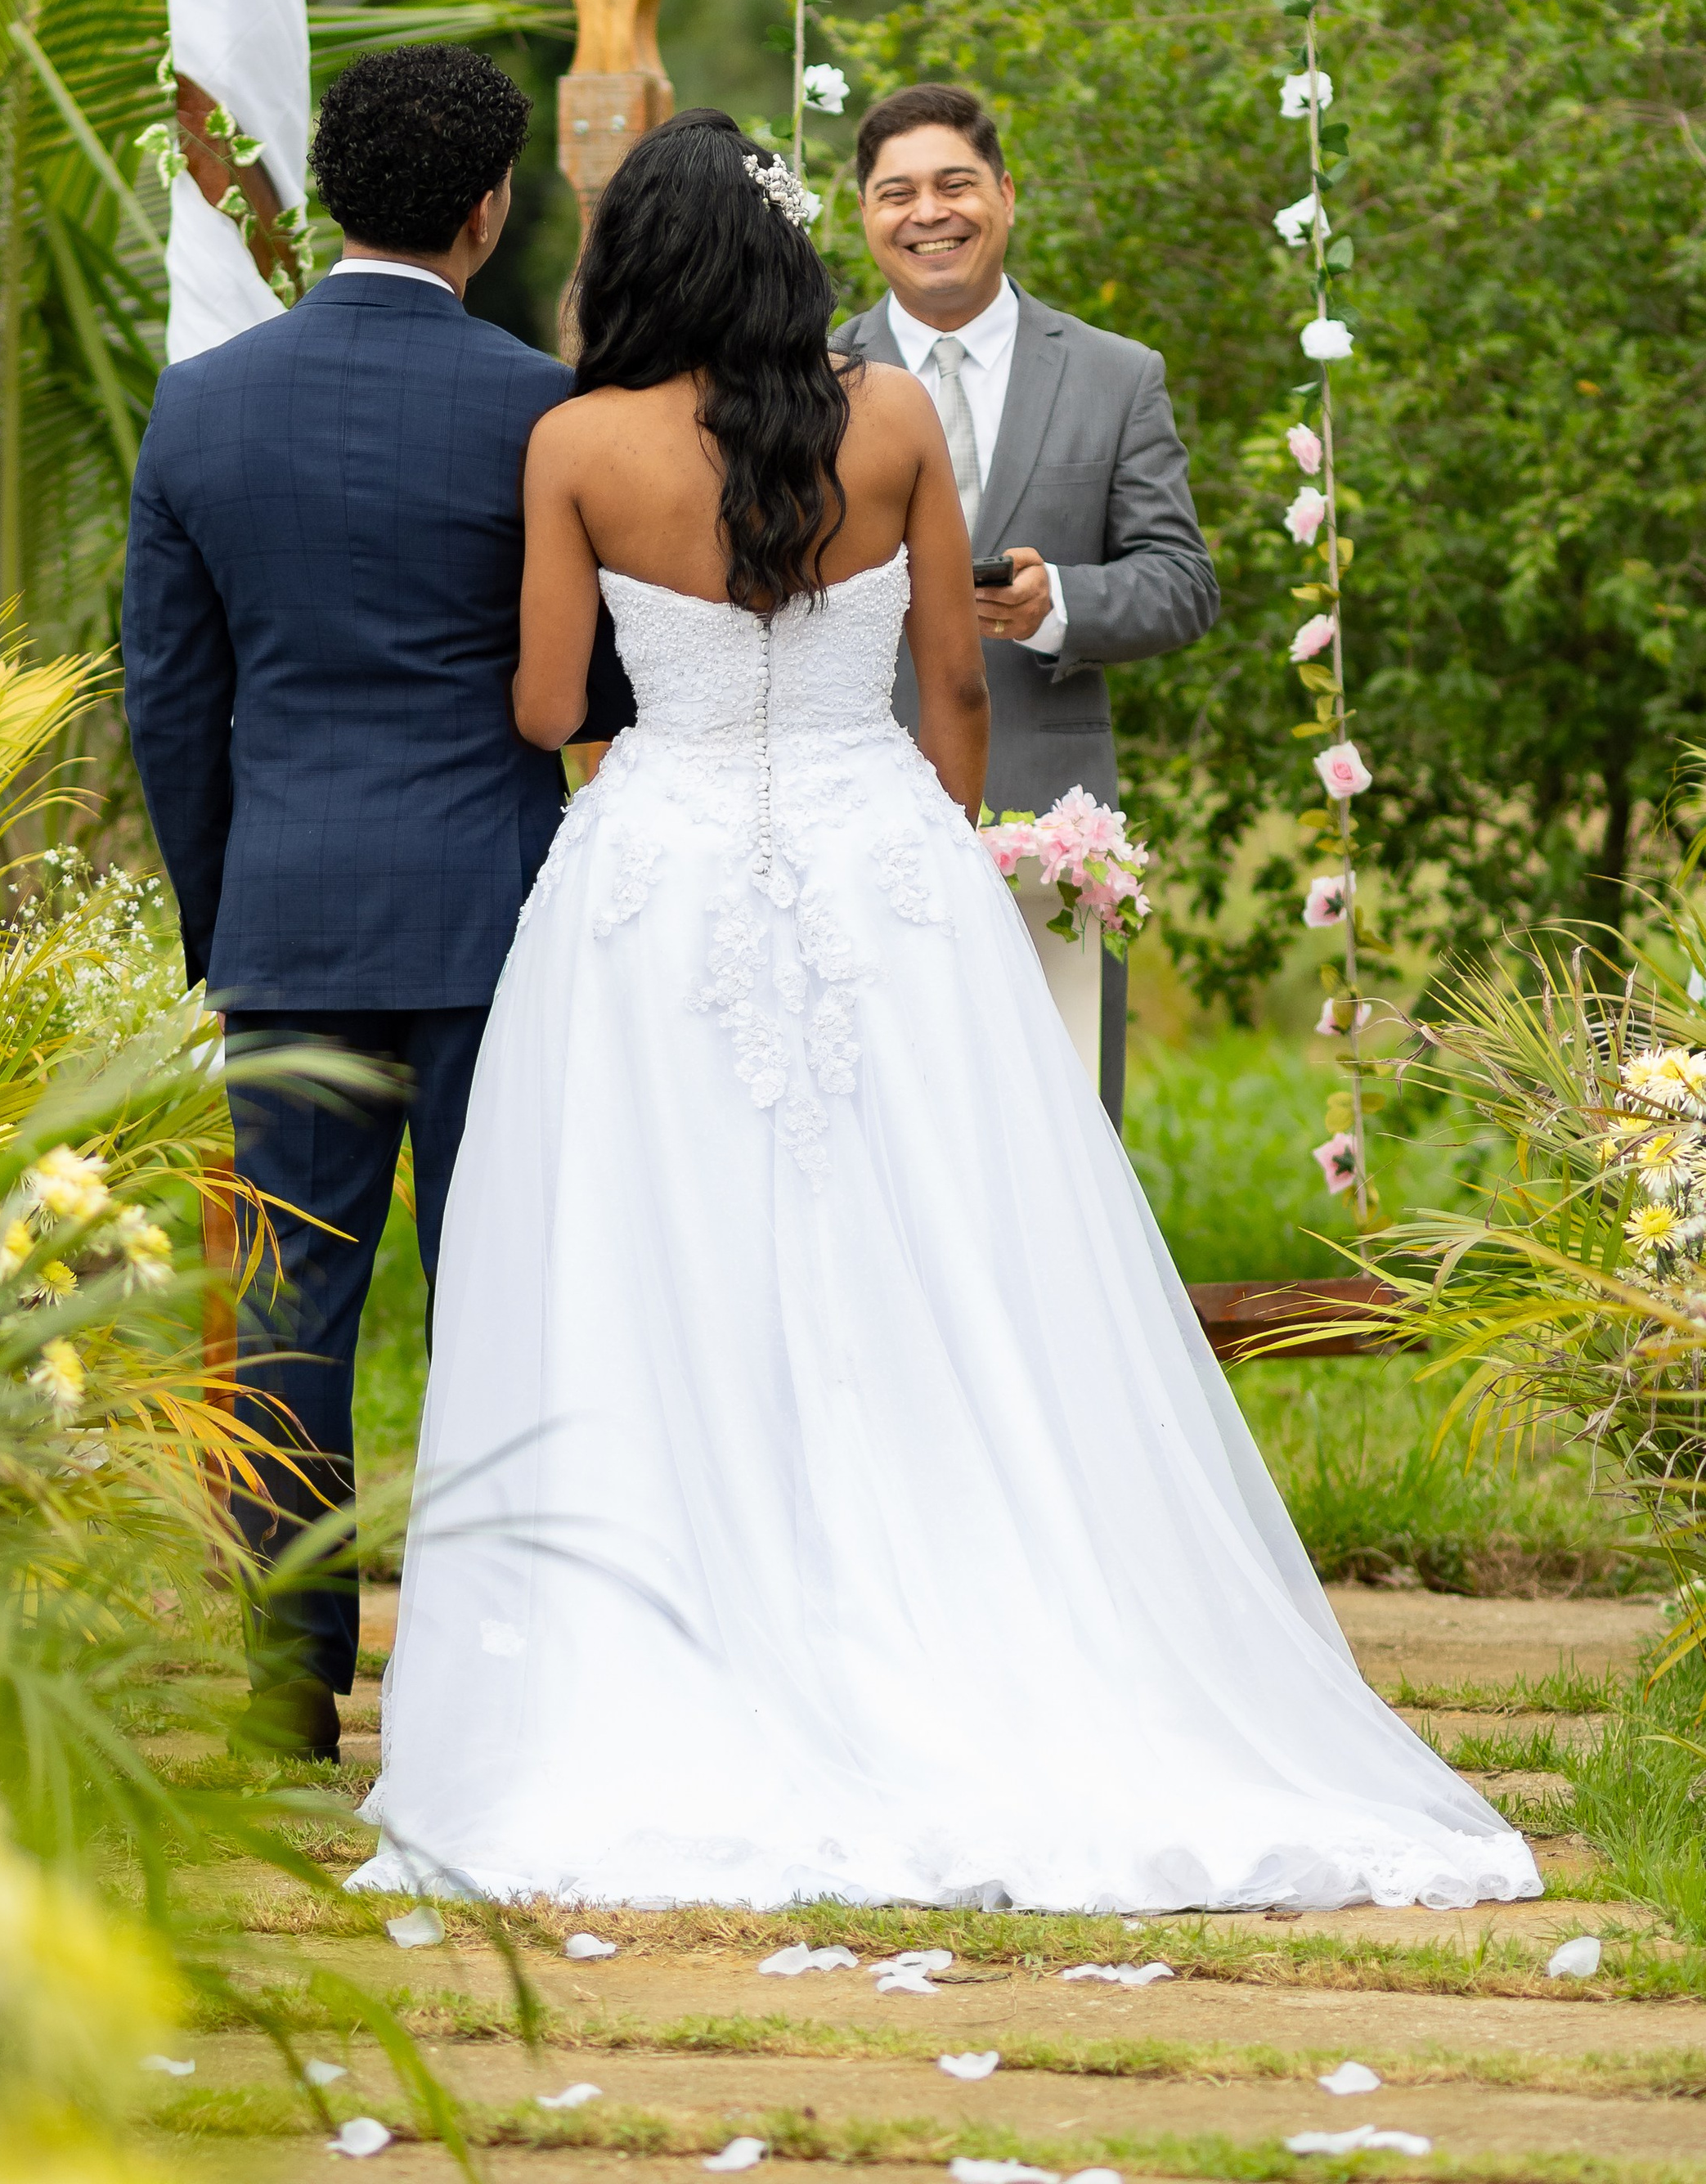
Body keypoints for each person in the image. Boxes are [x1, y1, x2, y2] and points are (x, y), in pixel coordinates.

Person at [350, 109, 1536, 1917]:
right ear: (787, 250)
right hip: (879, 866)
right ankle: (976, 1604)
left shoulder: (574, 440)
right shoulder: (889, 417)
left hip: (654, 886)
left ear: (632, 267)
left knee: (650, 1259)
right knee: (940, 1251)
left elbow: (537, 710)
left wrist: (667, 677)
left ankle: (677, 1627)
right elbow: (954, 684)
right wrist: (936, 833)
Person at [121, 45, 629, 1761]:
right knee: (507, 1291)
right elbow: (603, 680)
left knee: (284, 1315)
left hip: (287, 924)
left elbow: (170, 706)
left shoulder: (201, 406)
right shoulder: (538, 412)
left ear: (330, 194)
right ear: (489, 211)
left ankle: (287, 1686)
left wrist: (227, 920)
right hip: (497, 918)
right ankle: (501, 1677)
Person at [831, 83, 1218, 1128]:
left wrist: (1060, 607)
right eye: (895, 193)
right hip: (855, 818)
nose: (928, 214)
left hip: (1051, 827)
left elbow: (1184, 583)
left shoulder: (1114, 374)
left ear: (1004, 194)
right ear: (862, 215)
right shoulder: (808, 379)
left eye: (955, 185)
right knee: (878, 1125)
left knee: (1059, 1131)